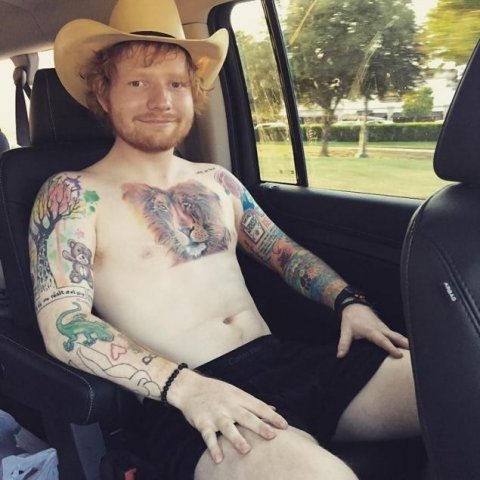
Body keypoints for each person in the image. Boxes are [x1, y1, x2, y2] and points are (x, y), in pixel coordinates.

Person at [29, 0, 419, 479]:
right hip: (182, 397)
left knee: (455, 375)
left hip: (283, 360)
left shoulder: (218, 180)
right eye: (138, 83)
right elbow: (64, 323)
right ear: (104, 95)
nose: (161, 100)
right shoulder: (71, 193)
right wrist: (188, 389)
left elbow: (282, 253)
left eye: (176, 84)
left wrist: (348, 302)